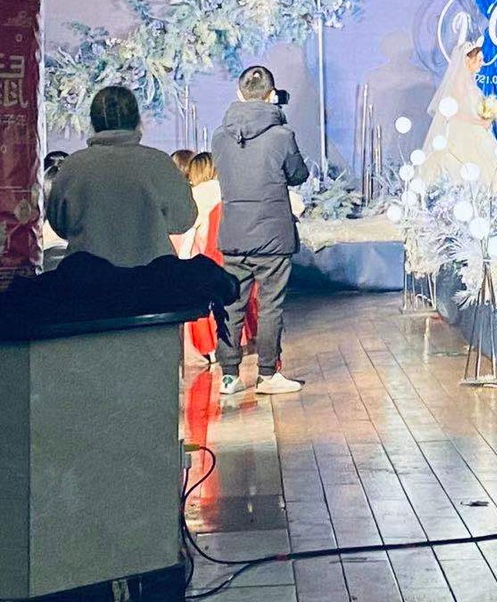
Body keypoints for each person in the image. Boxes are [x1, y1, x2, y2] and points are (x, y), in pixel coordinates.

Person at [211, 65, 309, 396]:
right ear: (271, 95)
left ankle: (229, 376)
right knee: (270, 306)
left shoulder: (220, 136)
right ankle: (267, 375)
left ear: (239, 93)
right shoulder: (282, 136)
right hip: (272, 236)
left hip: (234, 233)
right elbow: (298, 175)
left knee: (231, 305)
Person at [47, 87, 197, 268]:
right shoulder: (158, 162)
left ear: (93, 122)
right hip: (151, 276)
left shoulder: (73, 166)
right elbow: (183, 219)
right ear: (137, 120)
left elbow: (59, 224)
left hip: (88, 276)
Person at [419, 41, 497, 191]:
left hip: (473, 129)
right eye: (479, 60)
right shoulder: (460, 82)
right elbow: (454, 113)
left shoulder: (469, 81)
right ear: (468, 60)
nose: (481, 64)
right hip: (462, 131)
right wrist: (479, 122)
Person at [176, 152, 228, 367]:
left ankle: (211, 350)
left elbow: (189, 235)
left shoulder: (194, 196)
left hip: (207, 257)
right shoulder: (227, 190)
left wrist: (182, 263)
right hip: (231, 253)